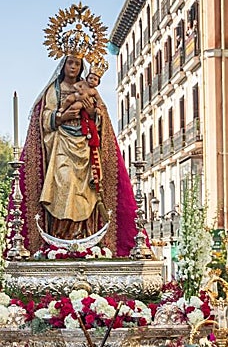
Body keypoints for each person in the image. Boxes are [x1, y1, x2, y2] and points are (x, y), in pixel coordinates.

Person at [18, 51, 138, 258]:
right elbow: (44, 116)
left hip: (85, 144)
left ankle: (83, 236)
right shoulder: (54, 90)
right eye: (70, 63)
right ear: (63, 64)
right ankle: (60, 236)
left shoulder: (87, 88)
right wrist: (62, 116)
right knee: (64, 185)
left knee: (85, 192)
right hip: (61, 146)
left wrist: (93, 114)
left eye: (77, 64)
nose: (73, 67)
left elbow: (101, 115)